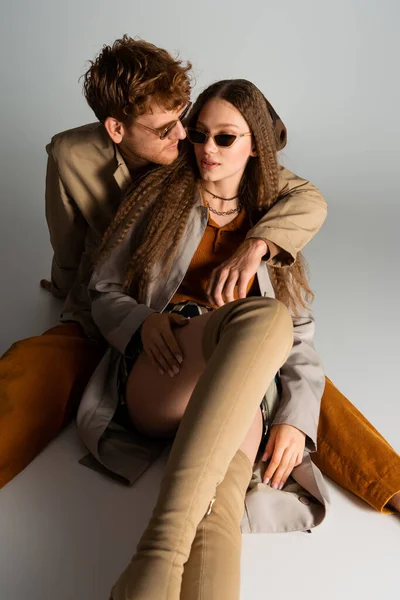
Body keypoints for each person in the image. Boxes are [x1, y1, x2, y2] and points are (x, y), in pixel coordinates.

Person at [0, 36, 398, 519]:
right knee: (34, 368)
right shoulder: (72, 155)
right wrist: (67, 289)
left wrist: (257, 245)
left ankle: (389, 483)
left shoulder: (205, 155)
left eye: (184, 119)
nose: (185, 137)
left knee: (297, 377)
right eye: (168, 129)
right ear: (116, 129)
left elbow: (304, 196)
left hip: (205, 317)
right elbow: (67, 236)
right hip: (119, 299)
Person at [80, 78, 330, 600]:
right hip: (168, 365)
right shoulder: (162, 192)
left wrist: (293, 418)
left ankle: (147, 582)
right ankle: (159, 551)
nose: (206, 149)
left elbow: (303, 336)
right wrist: (139, 322)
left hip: (238, 389)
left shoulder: (274, 222)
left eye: (225, 137)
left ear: (255, 144)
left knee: (218, 514)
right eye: (199, 134)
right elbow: (102, 287)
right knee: (265, 320)